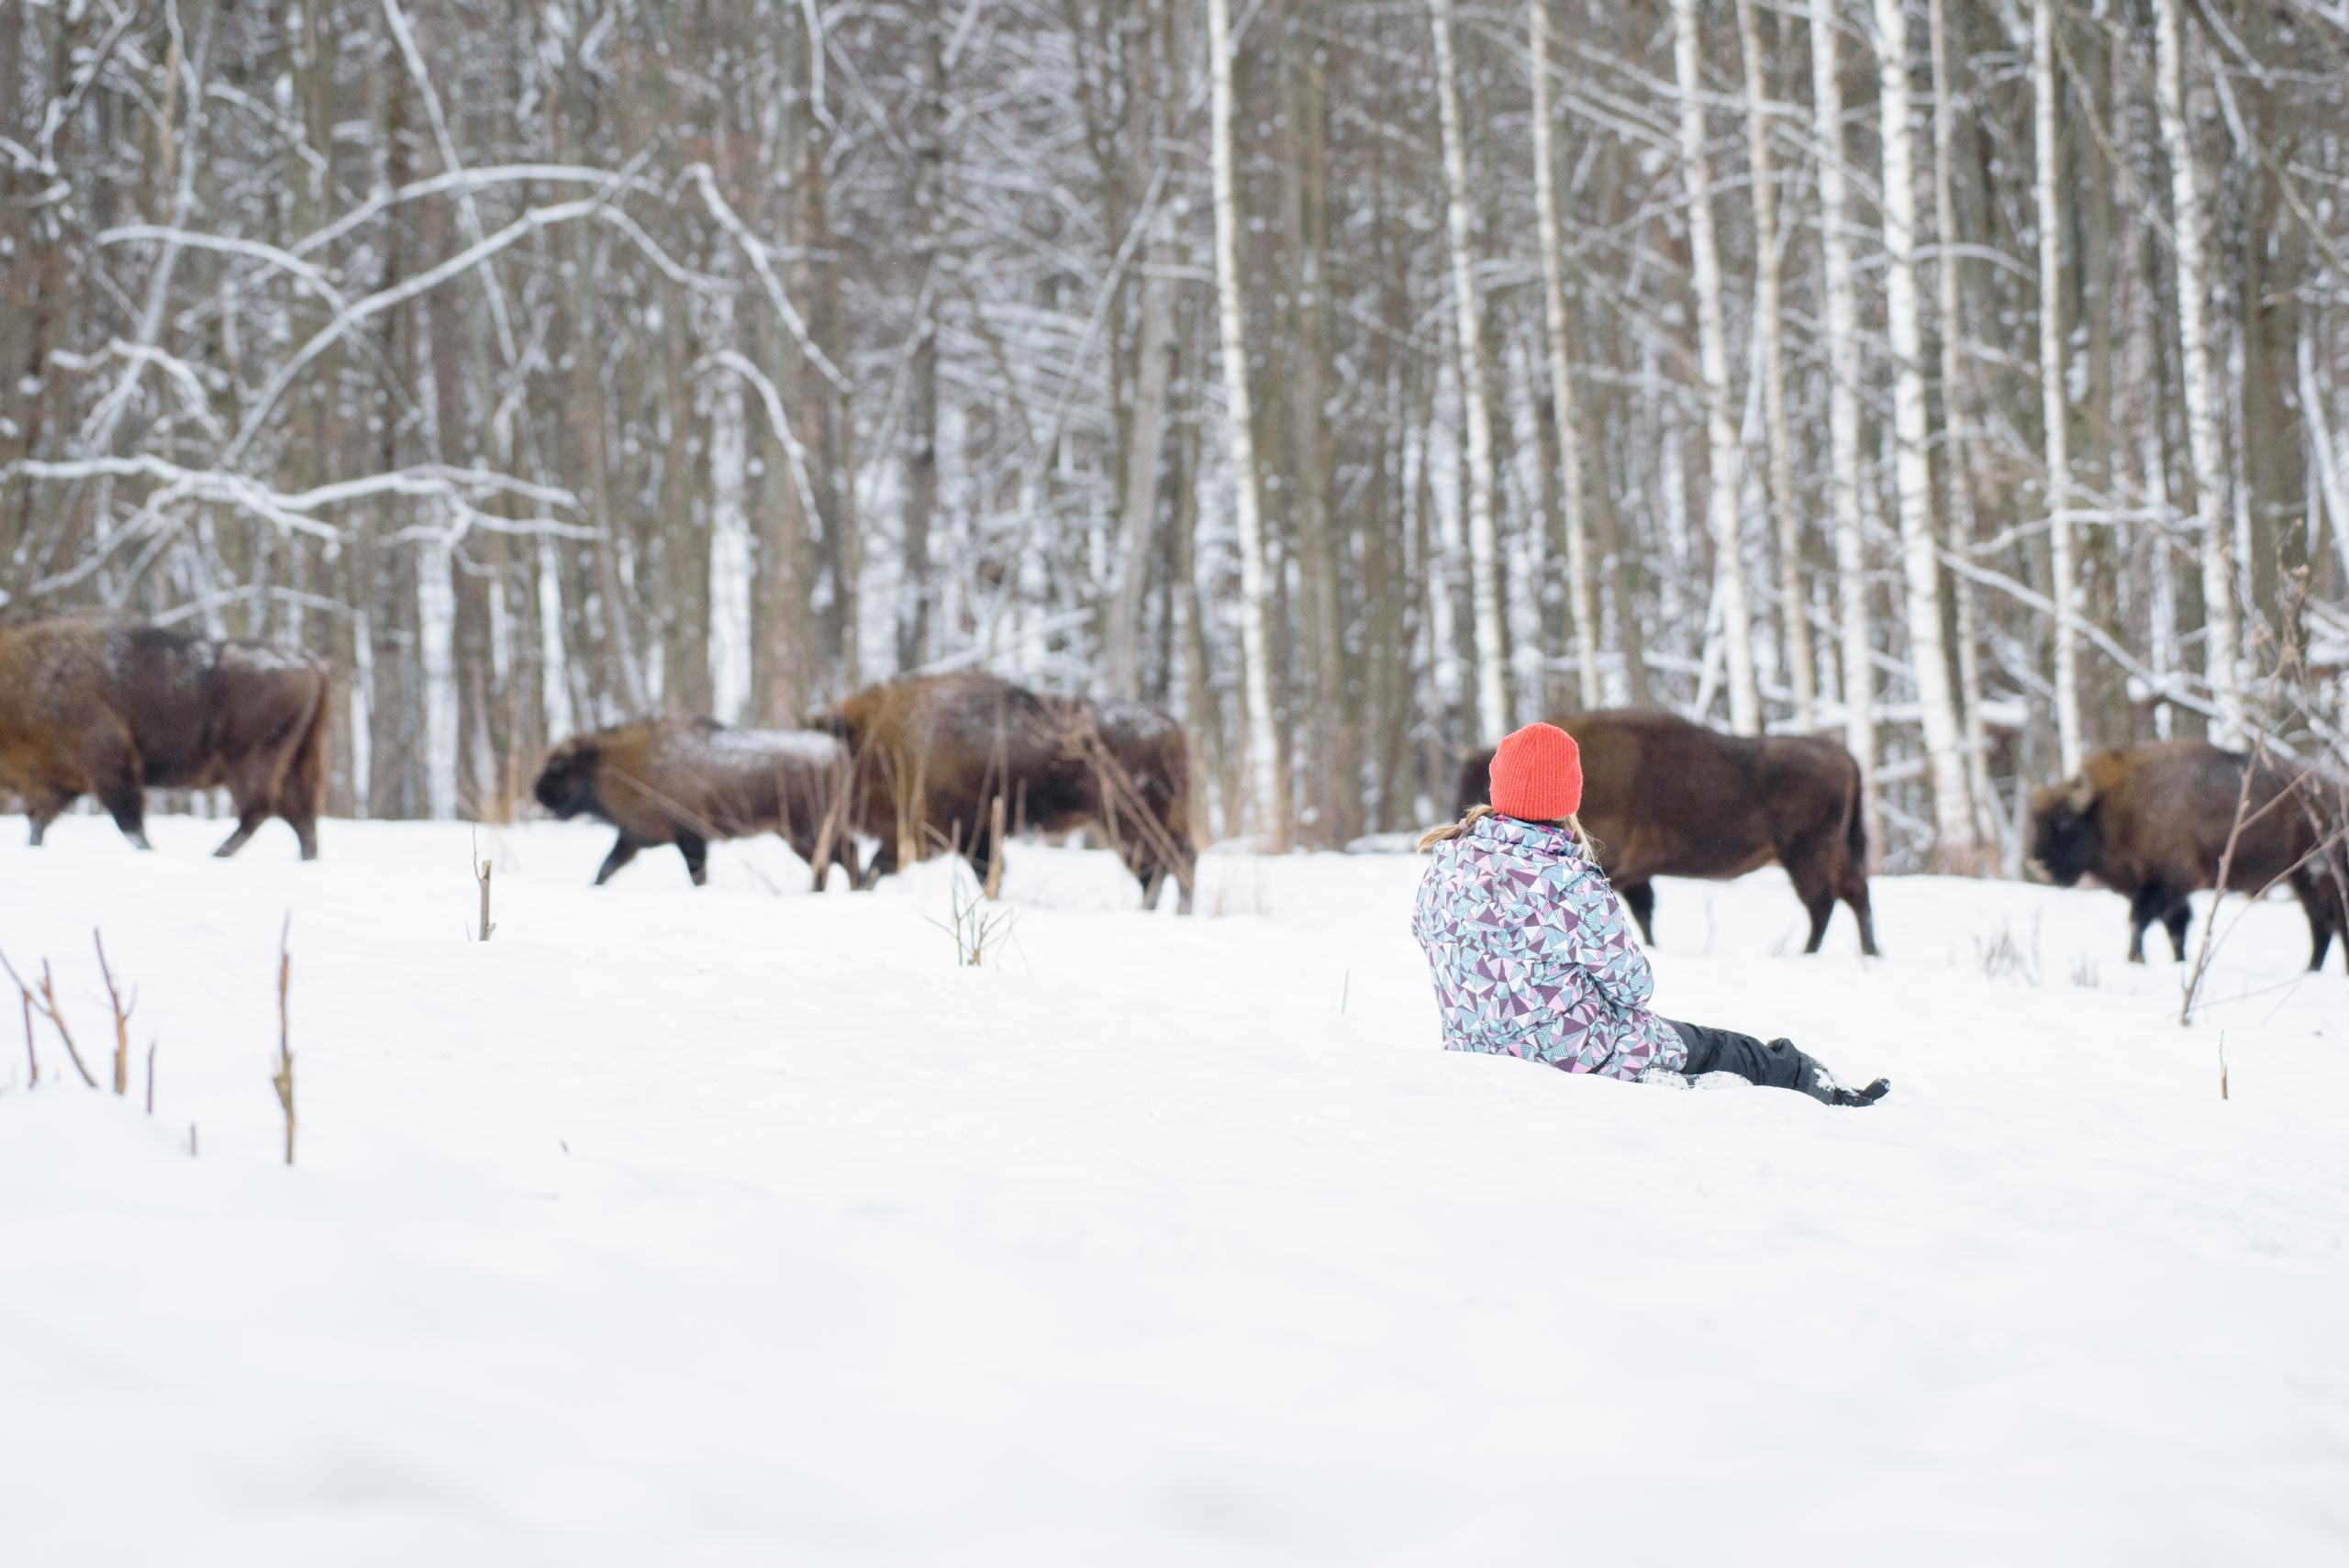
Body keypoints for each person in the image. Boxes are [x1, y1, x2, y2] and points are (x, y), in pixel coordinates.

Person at [1411, 721, 1889, 1107]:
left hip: (1476, 1053)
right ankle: (1825, 1094)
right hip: (1588, 1057)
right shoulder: (1571, 881)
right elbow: (1634, 985)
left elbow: (1432, 938)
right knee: (1738, 1055)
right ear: (1568, 798)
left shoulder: (1446, 865)